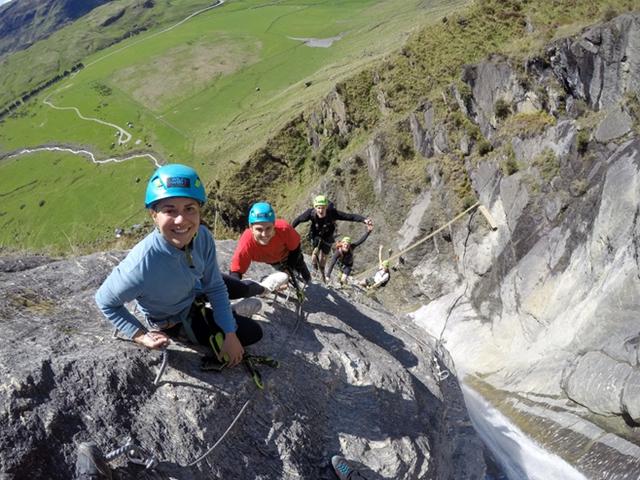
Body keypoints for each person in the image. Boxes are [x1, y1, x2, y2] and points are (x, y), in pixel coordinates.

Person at [95, 164, 262, 368]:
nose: (181, 219)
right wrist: (140, 335)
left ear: (199, 211)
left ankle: (258, 290)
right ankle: (231, 312)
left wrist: (227, 329)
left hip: (193, 287)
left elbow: (215, 287)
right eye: (169, 210)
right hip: (174, 318)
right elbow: (105, 301)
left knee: (241, 287)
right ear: (154, 215)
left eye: (189, 209)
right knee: (252, 333)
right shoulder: (142, 265)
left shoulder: (203, 237)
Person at [229, 202, 311, 286]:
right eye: (259, 229)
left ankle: (307, 278)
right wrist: (234, 287)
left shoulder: (284, 229)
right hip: (273, 261)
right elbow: (236, 270)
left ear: (274, 225)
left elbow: (295, 248)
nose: (264, 234)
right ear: (251, 228)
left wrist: (289, 269)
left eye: (268, 228)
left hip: (290, 255)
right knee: (282, 274)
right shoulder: (247, 242)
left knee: (301, 266)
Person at [292, 195, 372, 278]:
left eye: (323, 208)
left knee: (323, 258)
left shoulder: (333, 213)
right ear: (315, 208)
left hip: (328, 236)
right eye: (318, 208)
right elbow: (298, 220)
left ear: (326, 207)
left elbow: (349, 216)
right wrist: (290, 229)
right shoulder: (310, 213)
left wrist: (364, 220)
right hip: (316, 234)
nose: (321, 210)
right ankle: (315, 267)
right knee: (315, 254)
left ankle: (322, 269)